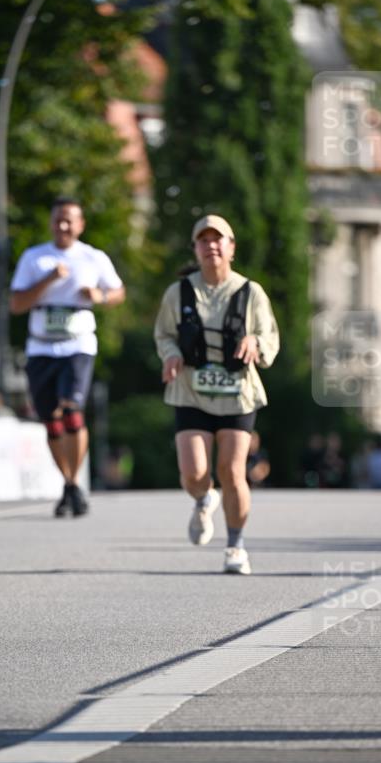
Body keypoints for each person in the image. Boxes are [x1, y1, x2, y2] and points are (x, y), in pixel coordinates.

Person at [154, 214, 279, 575]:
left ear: (231, 247)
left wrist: (255, 342)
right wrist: (171, 353)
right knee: (195, 472)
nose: (211, 245)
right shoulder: (178, 293)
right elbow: (163, 334)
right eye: (203, 239)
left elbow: (270, 337)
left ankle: (236, 546)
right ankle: (203, 498)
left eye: (219, 239)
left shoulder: (250, 292)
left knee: (232, 469)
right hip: (191, 390)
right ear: (195, 248)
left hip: (237, 393)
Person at [10, 197, 125, 517]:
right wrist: (49, 280)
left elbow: (118, 291)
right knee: (51, 421)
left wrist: (99, 295)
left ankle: (73, 485)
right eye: (58, 219)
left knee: (73, 411)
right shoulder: (35, 258)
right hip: (41, 346)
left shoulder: (93, 257)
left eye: (69, 220)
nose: (63, 225)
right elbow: (16, 304)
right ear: (51, 222)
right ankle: (71, 483)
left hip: (78, 344)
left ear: (81, 224)